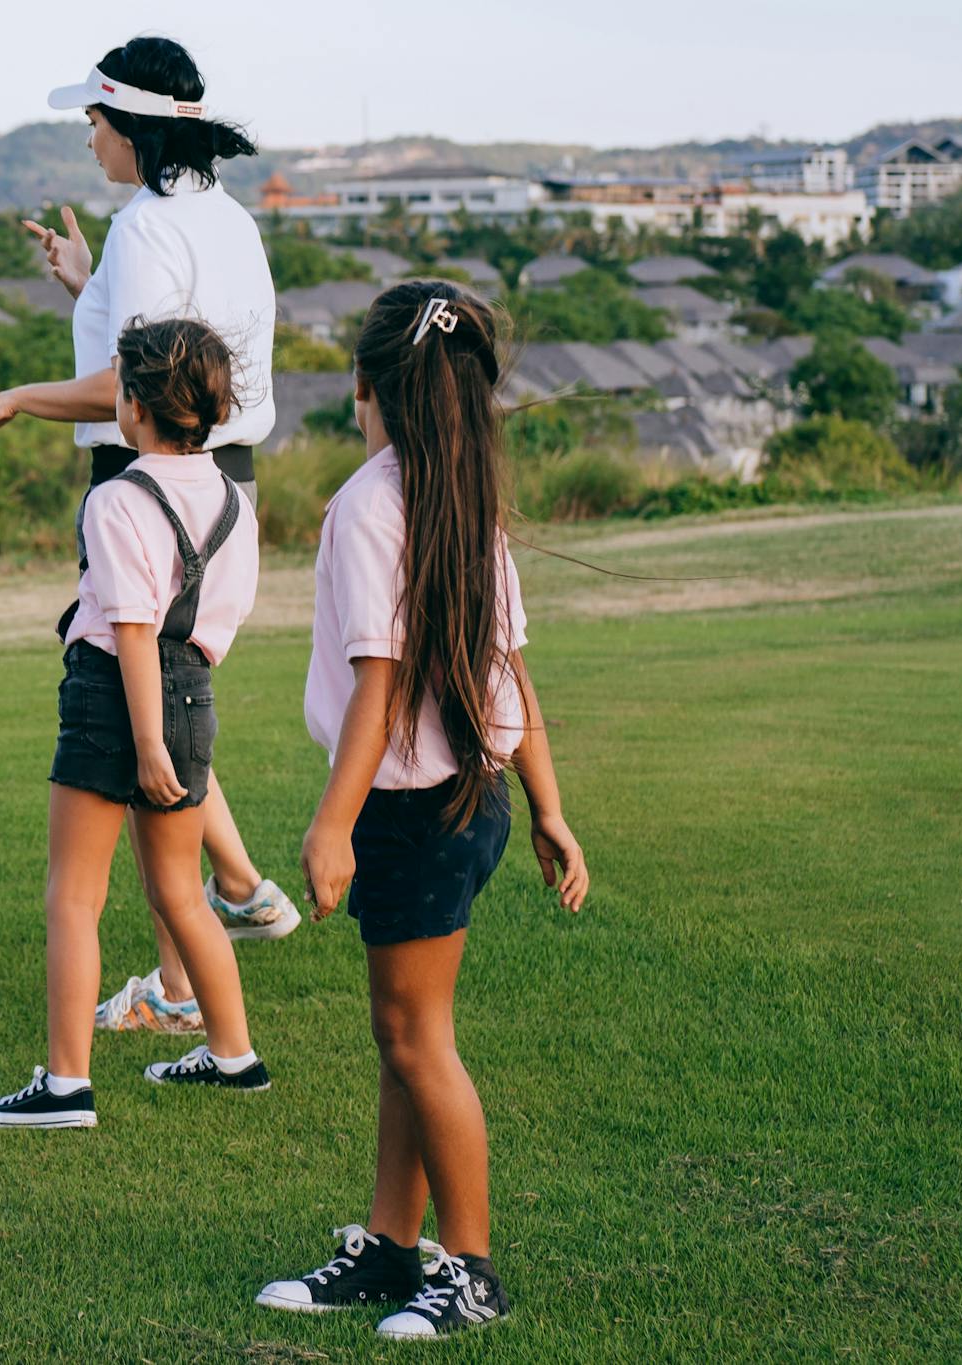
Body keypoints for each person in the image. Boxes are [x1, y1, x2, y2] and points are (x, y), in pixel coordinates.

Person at [0, 35, 299, 1037]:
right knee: (173, 703)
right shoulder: (222, 223)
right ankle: (229, 905)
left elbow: (136, 387)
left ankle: (199, 964)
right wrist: (83, 282)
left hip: (145, 486)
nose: (86, 138)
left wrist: (5, 396)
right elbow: (170, 355)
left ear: (127, 124)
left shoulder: (144, 232)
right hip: (225, 489)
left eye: (91, 120)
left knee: (142, 718)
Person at [255, 283, 590, 1340]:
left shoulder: (370, 503)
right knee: (401, 1035)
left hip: (410, 810)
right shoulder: (460, 497)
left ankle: (472, 1269)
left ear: (364, 388)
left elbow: (381, 679)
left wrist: (327, 822)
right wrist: (548, 808)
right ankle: (392, 1248)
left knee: (415, 1038)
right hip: (473, 802)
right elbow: (513, 672)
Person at [0, 318, 272, 1129]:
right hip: (192, 690)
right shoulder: (236, 504)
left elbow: (132, 625)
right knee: (181, 893)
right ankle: (234, 1054)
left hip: (115, 696)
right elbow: (220, 615)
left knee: (74, 895)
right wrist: (176, 715)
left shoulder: (116, 498)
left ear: (134, 408)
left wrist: (143, 740)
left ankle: (66, 1084)